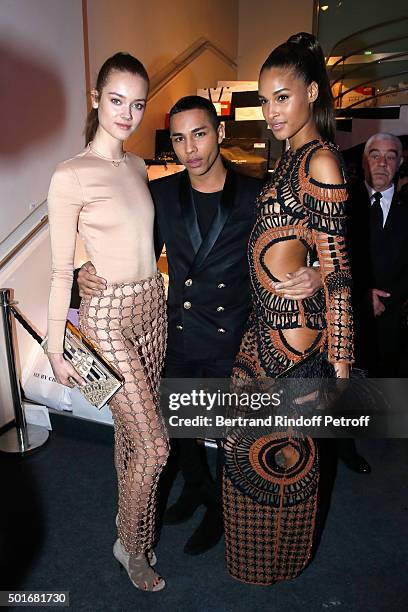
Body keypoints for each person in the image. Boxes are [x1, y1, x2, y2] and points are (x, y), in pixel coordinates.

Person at [77, 95, 323, 556]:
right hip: (177, 332)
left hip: (232, 339)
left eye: (200, 133)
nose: (190, 147)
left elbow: (307, 241)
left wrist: (317, 271)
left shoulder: (257, 194)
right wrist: (88, 271)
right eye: (178, 137)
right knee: (177, 425)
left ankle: (220, 508)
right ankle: (197, 487)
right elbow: (133, 254)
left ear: (220, 134)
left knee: (230, 433)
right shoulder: (162, 193)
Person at [223, 32, 354, 585]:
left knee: (283, 458)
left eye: (283, 96)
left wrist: (342, 368)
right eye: (265, 98)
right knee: (243, 448)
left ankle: (282, 561)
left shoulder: (320, 160)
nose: (272, 110)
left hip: (295, 343)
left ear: (312, 95)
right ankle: (261, 560)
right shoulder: (288, 160)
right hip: (264, 331)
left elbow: (340, 271)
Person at [46, 53, 168, 592]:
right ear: (96, 99)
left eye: (138, 104)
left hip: (151, 311)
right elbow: (58, 269)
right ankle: (129, 541)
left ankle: (138, 527)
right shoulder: (70, 174)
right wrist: (55, 347)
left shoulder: (140, 166)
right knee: (158, 445)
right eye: (117, 100)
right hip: (106, 319)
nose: (127, 113)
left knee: (130, 437)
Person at [348, 132, 408, 377]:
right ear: (364, 161)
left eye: (390, 157)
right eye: (375, 156)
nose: (382, 163)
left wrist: (390, 299)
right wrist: (363, 294)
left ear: (400, 163)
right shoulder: (341, 203)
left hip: (394, 334)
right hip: (347, 329)